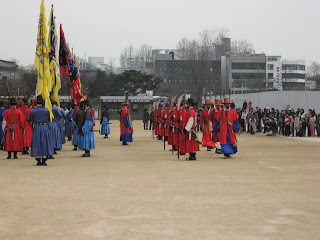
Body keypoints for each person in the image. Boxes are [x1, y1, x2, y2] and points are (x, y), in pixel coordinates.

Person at [28, 96, 53, 166]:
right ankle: (44, 158)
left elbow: (30, 120)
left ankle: (38, 159)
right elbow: (48, 119)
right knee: (45, 142)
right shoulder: (46, 110)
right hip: (45, 127)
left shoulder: (33, 110)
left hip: (37, 127)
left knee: (37, 142)